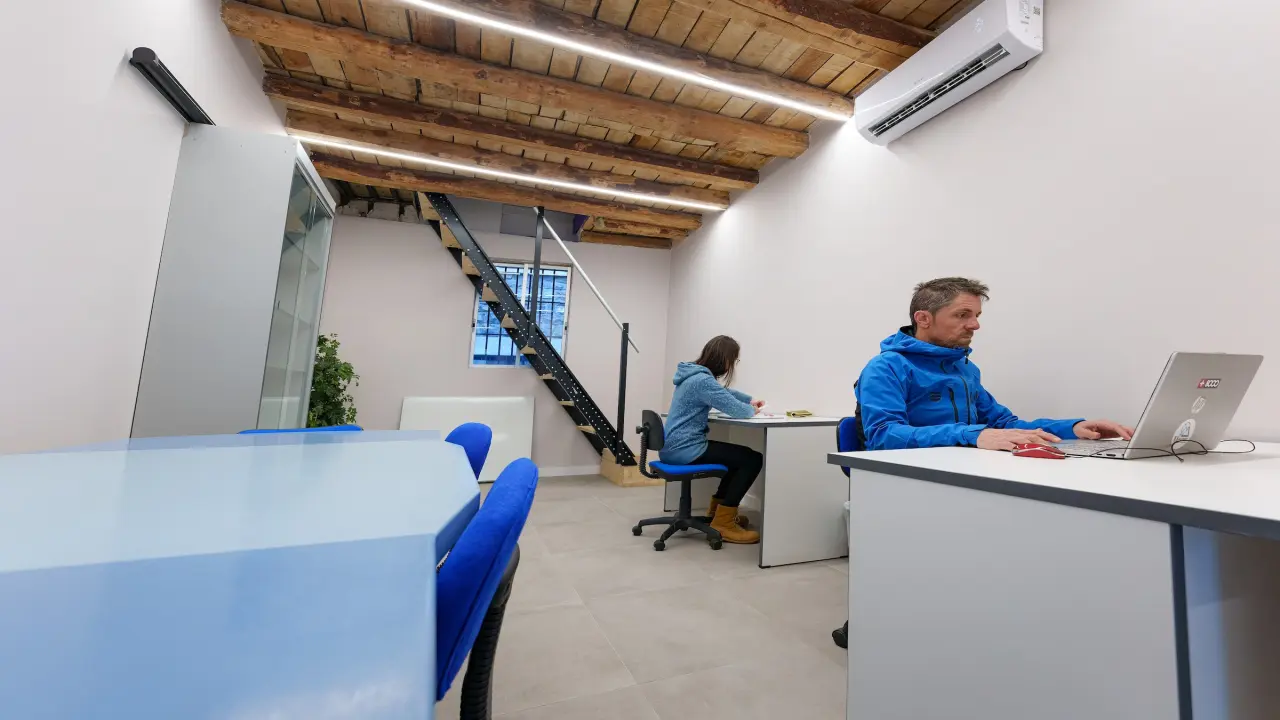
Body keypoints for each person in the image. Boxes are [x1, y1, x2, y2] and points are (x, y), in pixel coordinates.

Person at [856, 278, 1134, 451]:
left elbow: (1005, 423)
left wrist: (1073, 428)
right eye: (963, 315)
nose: (975, 325)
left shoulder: (964, 369)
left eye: (976, 315)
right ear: (923, 319)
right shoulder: (886, 368)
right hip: (908, 479)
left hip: (961, 471)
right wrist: (973, 434)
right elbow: (883, 436)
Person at [661, 336, 764, 544]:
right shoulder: (702, 381)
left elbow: (722, 392)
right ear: (725, 359)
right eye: (734, 360)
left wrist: (749, 399)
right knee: (752, 459)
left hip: (674, 447)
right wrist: (751, 409)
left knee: (739, 459)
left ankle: (717, 513)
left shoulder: (692, 376)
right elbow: (739, 411)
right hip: (686, 448)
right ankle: (723, 522)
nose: (732, 366)